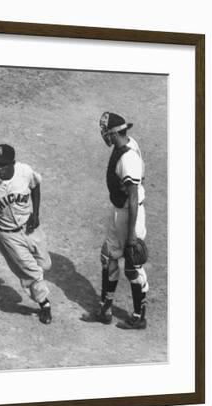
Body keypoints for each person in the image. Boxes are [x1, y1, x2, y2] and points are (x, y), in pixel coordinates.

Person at [0, 144, 53, 324]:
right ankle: (45, 305)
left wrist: (35, 214)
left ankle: (27, 274)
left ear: (13, 162)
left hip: (30, 227)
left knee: (46, 264)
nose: (1, 168)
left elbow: (35, 187)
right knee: (33, 273)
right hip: (8, 235)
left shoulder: (25, 171)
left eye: (4, 164)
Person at [91, 111, 149, 329]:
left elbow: (133, 198)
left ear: (113, 133)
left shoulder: (128, 158)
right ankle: (105, 309)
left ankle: (138, 316)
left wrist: (132, 234)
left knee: (133, 265)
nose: (103, 136)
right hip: (119, 211)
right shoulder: (126, 143)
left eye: (105, 132)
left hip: (129, 215)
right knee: (108, 258)